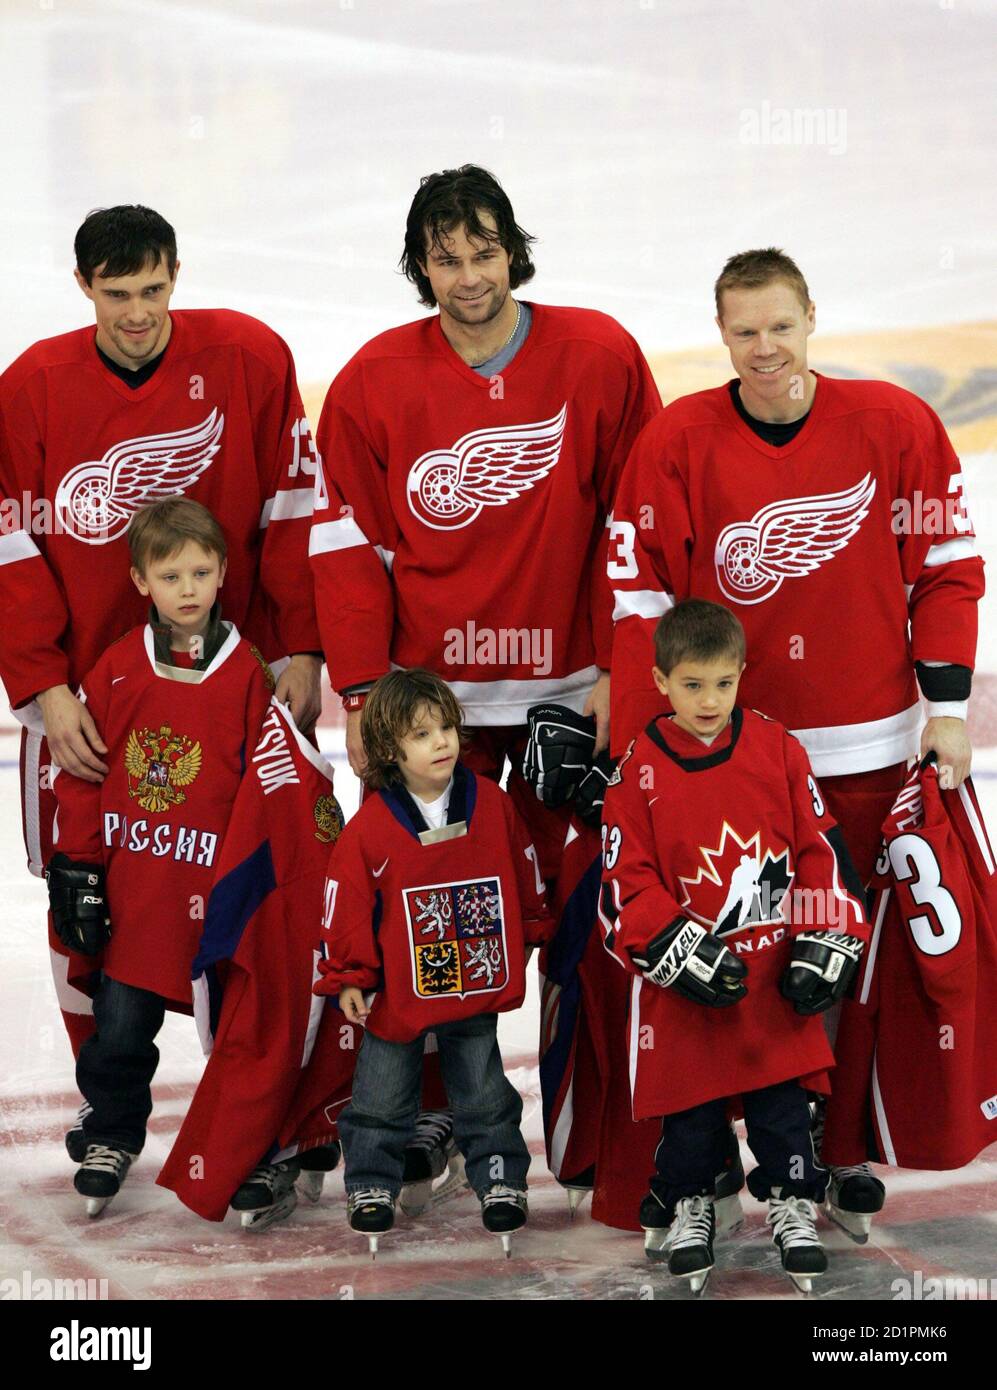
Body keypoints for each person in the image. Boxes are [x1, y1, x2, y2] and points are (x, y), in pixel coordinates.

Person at [608, 247, 985, 1234]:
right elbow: (637, 595)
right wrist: (636, 748)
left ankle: (832, 1147)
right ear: (720, 334)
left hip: (865, 751)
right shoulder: (678, 438)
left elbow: (945, 567)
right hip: (725, 764)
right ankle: (701, 1164)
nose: (763, 347)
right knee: (721, 958)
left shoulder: (894, 424)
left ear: (811, 317)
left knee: (835, 955)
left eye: (779, 324)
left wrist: (946, 706)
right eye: (743, 330)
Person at [308, 164, 660, 1193]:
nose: (467, 276)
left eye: (484, 251)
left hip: (569, 689)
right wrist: (370, 690)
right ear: (419, 264)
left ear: (515, 248)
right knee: (412, 920)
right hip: (432, 711)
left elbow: (632, 527)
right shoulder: (374, 379)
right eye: (445, 257)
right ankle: (421, 1121)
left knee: (590, 913)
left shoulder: (598, 354)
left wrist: (619, 670)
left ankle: (593, 1132)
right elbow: (345, 543)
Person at [0, 204, 323, 1073]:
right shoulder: (30, 385)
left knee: (249, 888)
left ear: (176, 275)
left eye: (152, 289)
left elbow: (292, 509)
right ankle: (106, 1102)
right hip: (92, 700)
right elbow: (11, 546)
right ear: (82, 288)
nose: (137, 314)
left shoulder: (249, 358)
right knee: (83, 897)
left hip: (230, 689)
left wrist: (301, 648)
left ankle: (251, 1107)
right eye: (116, 294)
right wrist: (42, 685)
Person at [601, 600, 870, 1293]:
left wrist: (826, 930)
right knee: (690, 1118)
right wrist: (672, 944)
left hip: (771, 978)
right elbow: (620, 884)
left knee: (783, 1111)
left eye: (723, 682)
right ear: (659, 681)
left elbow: (818, 848)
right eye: (691, 685)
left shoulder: (776, 746)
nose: (709, 700)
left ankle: (790, 1201)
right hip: (686, 998)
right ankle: (692, 1200)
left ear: (741, 673)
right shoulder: (637, 771)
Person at [45, 500, 275, 1215]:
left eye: (200, 572)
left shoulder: (246, 674)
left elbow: (274, 786)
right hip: (139, 895)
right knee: (117, 1029)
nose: (187, 588)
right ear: (140, 581)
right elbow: (82, 771)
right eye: (169, 574)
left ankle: (256, 1150)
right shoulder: (117, 668)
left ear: (223, 574)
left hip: (219, 896)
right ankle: (112, 1131)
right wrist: (79, 866)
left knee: (242, 1034)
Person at [313, 669, 554, 1255]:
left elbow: (523, 871)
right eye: (423, 734)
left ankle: (499, 1175)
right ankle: (371, 1182)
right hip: (399, 991)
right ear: (390, 750)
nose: (442, 741)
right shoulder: (371, 826)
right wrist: (349, 974)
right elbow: (346, 903)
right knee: (380, 1091)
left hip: (474, 984)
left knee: (482, 1088)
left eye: (446, 726)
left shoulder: (492, 804)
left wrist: (527, 930)